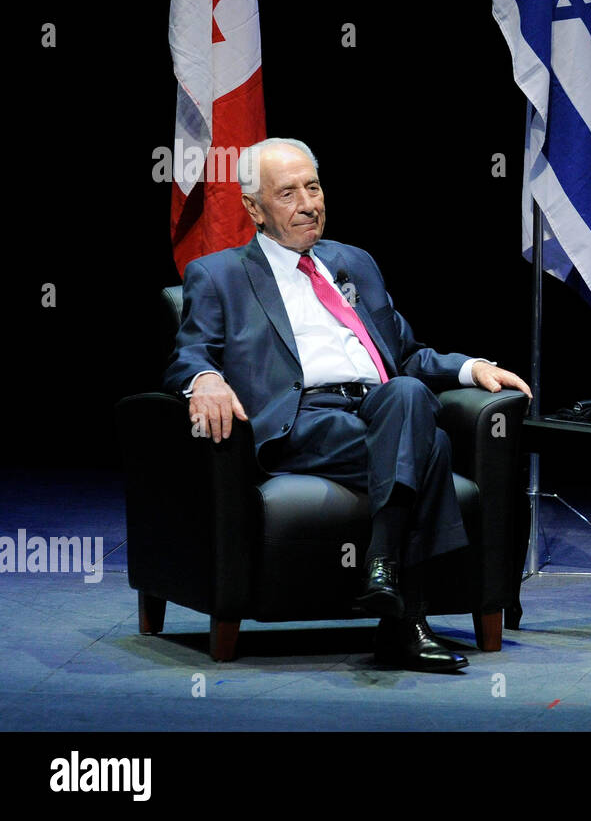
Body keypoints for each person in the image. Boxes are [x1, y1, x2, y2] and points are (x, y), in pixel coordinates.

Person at [165, 137, 532, 674]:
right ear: (253, 209)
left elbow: (405, 354)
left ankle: (383, 575)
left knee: (406, 395)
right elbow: (189, 351)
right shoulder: (218, 275)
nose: (308, 203)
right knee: (431, 447)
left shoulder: (353, 262)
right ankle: (406, 620)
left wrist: (469, 368)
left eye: (312, 187)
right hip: (303, 421)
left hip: (383, 408)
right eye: (287, 194)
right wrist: (205, 379)